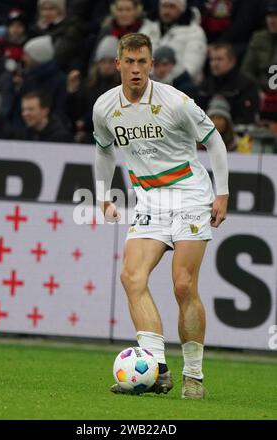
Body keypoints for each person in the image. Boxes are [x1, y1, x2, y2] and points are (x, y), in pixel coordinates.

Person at [93, 33, 229, 399]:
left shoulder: (176, 101)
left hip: (189, 196)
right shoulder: (105, 107)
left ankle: (194, 376)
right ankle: (156, 370)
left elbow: (214, 139)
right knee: (131, 276)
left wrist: (222, 192)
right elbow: (104, 151)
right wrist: (104, 195)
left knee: (183, 286)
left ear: (151, 65)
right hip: (150, 202)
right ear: (118, 64)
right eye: (129, 62)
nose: (136, 69)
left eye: (142, 62)